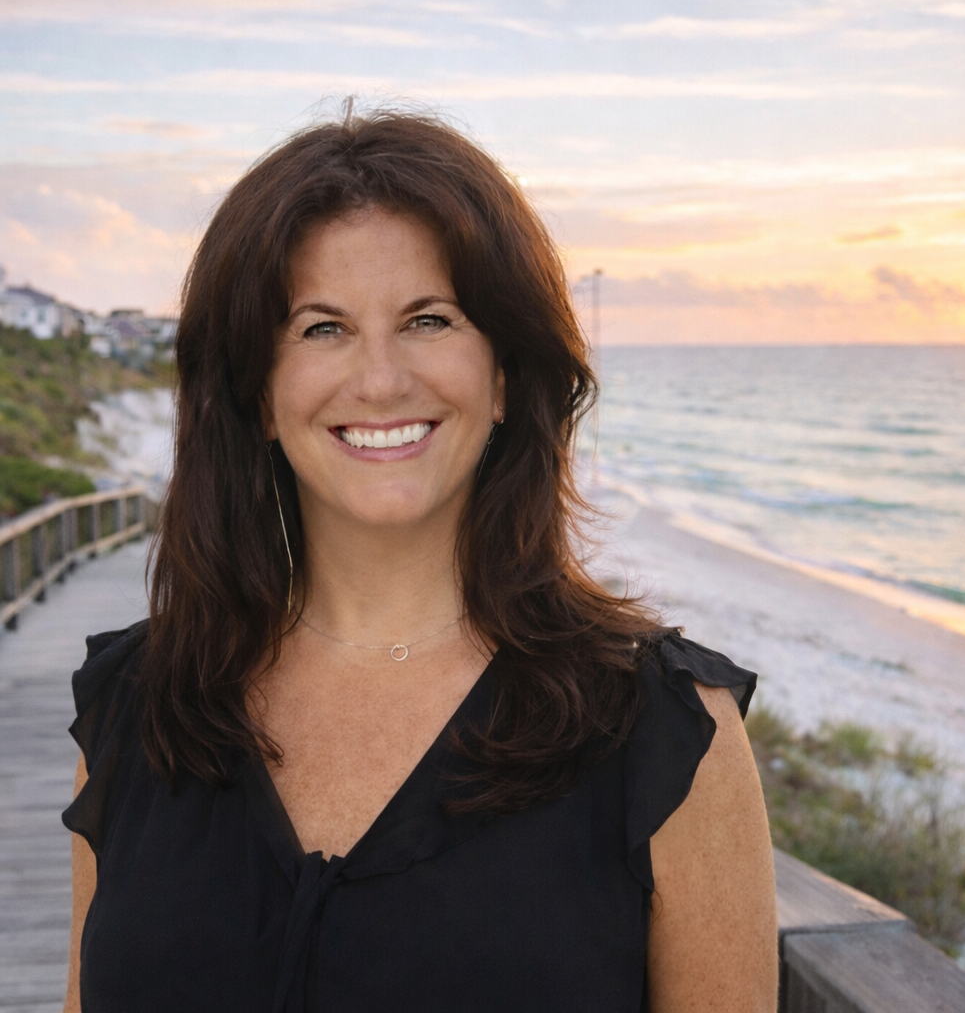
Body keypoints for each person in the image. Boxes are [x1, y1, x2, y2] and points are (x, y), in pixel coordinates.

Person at [62, 109, 777, 1013]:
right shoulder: (138, 707)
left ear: (508, 374)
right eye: (322, 328)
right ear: (259, 397)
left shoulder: (663, 733)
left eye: (429, 320)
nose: (381, 379)